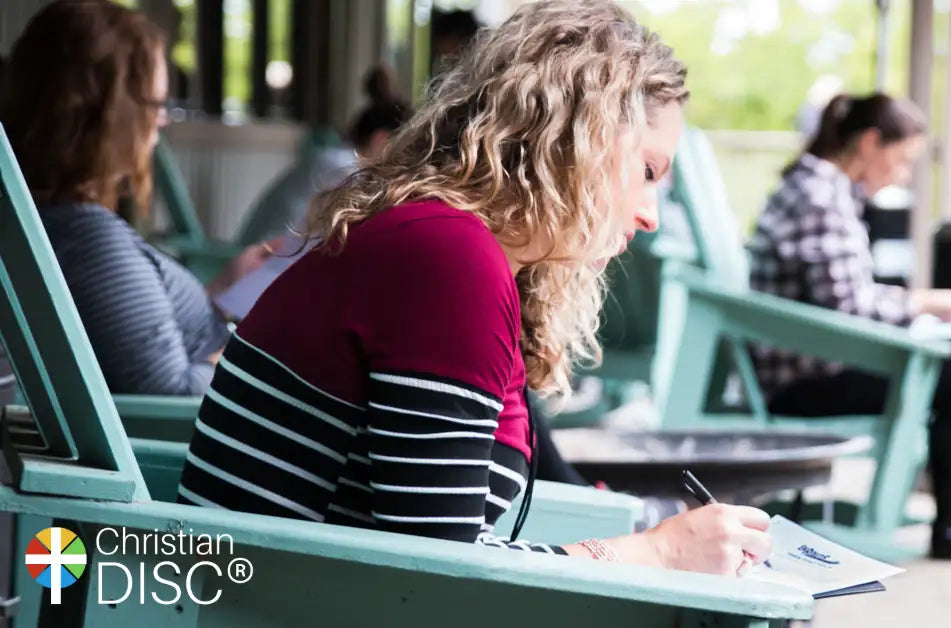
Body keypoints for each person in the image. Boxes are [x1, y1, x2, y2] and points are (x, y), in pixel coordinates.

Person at [175, 0, 771, 575]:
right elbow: (439, 572)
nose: (650, 216)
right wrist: (660, 554)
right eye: (647, 171)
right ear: (577, 139)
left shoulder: (446, 242)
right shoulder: (450, 258)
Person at [747, 92, 951, 563]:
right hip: (803, 381)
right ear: (870, 142)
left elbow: (843, 299)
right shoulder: (820, 197)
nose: (903, 174)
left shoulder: (819, 186)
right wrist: (931, 302)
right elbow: (849, 308)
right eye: (902, 159)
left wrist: (925, 311)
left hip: (805, 360)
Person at [0, 0, 272, 396]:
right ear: (107, 113)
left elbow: (133, 334)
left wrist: (220, 294)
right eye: (156, 105)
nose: (163, 120)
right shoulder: (92, 245)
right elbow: (169, 395)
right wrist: (232, 357)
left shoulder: (44, 223)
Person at [235, 65, 413, 246]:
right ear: (381, 140)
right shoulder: (342, 167)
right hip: (265, 252)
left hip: (268, 247)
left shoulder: (334, 158)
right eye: (403, 148)